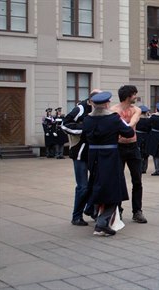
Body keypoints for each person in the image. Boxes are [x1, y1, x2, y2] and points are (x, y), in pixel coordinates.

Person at [83, 91, 134, 236]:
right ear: (106, 104)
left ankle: (93, 211)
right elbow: (129, 133)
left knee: (96, 185)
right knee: (114, 190)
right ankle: (102, 222)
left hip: (93, 156)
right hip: (110, 156)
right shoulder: (113, 118)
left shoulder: (87, 119)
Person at [62, 89, 100, 226]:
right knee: (83, 186)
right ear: (90, 101)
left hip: (96, 153)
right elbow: (64, 124)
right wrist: (84, 129)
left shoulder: (101, 110)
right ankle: (76, 216)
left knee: (96, 185)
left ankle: (90, 209)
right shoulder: (80, 108)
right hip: (80, 153)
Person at [110, 85, 147, 224]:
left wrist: (126, 126)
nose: (136, 97)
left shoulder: (136, 109)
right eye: (134, 94)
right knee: (118, 180)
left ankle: (137, 211)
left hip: (133, 147)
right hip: (118, 147)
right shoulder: (113, 110)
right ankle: (117, 210)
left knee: (137, 180)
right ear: (128, 96)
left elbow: (134, 121)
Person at [136, 105, 151, 173]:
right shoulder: (148, 120)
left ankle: (139, 167)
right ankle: (144, 168)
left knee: (139, 152)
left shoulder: (137, 119)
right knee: (145, 153)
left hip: (138, 136)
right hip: (146, 137)